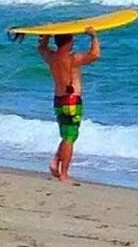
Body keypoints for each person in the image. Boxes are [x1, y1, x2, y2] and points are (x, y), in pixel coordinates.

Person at [37, 28, 100, 183]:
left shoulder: (52, 57)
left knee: (66, 135)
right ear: (70, 42)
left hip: (58, 100)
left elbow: (41, 49)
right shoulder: (72, 58)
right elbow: (95, 54)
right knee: (69, 138)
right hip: (71, 100)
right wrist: (93, 36)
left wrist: (46, 36)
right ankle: (63, 174)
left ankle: (54, 162)